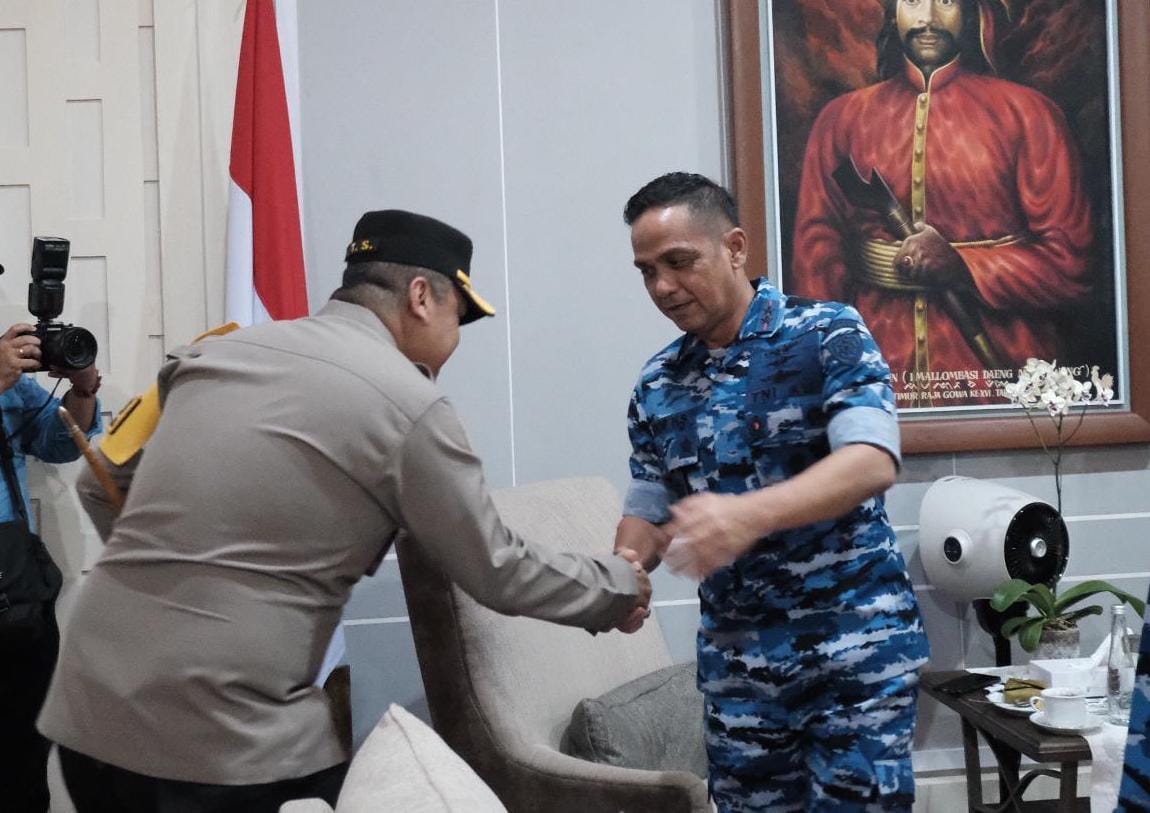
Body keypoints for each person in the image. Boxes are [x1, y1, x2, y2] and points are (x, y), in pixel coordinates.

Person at [38, 210, 652, 813]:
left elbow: (100, 483)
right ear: (421, 297)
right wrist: (618, 586)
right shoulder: (407, 403)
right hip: (224, 744)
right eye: (459, 318)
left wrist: (179, 574)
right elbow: (495, 566)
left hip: (91, 712)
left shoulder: (211, 355)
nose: (455, 341)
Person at [616, 172, 929, 812]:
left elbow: (870, 461)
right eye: (647, 271)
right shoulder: (658, 383)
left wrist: (746, 516)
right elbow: (648, 506)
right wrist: (624, 569)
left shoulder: (826, 334)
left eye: (679, 262)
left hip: (852, 659)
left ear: (735, 247)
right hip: (740, 679)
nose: (662, 287)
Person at [790, 0, 1093, 408]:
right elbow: (816, 260)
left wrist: (964, 266)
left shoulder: (1029, 115)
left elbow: (1070, 264)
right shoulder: (841, 120)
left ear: (970, 13)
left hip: (999, 373)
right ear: (893, 12)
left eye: (946, 1)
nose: (928, 19)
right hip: (877, 374)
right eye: (913, 0)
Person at [0, 322, 101, 813]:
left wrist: (82, 389)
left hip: (13, 586)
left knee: (21, 755)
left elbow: (59, 442)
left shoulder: (9, 372)